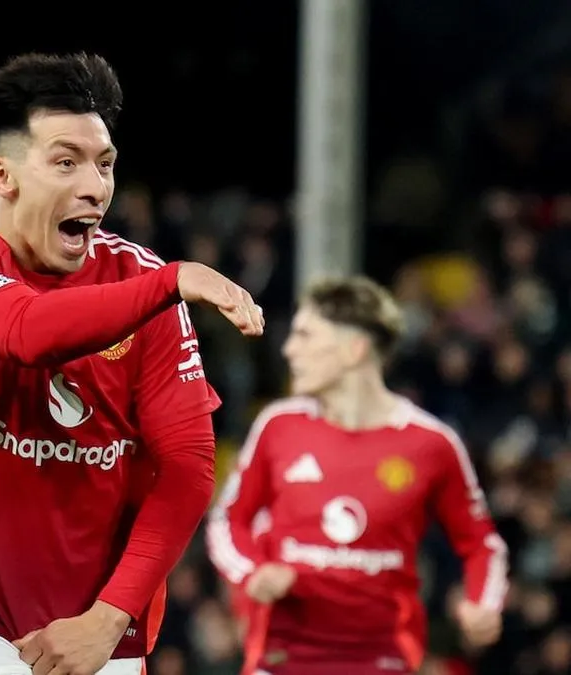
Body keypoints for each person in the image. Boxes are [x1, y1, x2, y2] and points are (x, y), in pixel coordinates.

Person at [0, 52, 264, 675]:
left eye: (105, 164)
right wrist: (174, 281)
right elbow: (25, 332)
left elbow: (189, 467)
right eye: (65, 162)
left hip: (104, 624)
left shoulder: (139, 279)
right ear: (3, 175)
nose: (94, 187)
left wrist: (109, 616)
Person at [206, 276, 508, 675]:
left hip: (384, 659)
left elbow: (481, 543)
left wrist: (482, 605)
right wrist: (252, 572)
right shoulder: (278, 425)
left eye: (305, 336)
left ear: (354, 350)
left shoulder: (432, 443)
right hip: (282, 658)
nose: (289, 350)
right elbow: (228, 519)